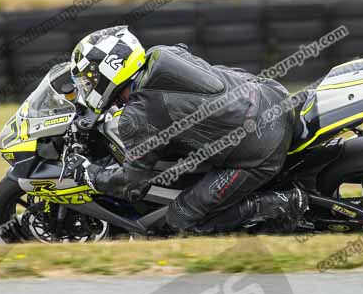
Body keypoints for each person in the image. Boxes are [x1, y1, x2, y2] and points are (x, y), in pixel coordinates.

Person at [68, 25, 308, 234]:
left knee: (181, 219)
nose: (87, 87)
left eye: (89, 81)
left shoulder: (138, 116)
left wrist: (90, 175)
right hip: (271, 95)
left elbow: (132, 185)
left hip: (260, 147)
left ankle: (283, 203)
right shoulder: (161, 53)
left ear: (107, 71)